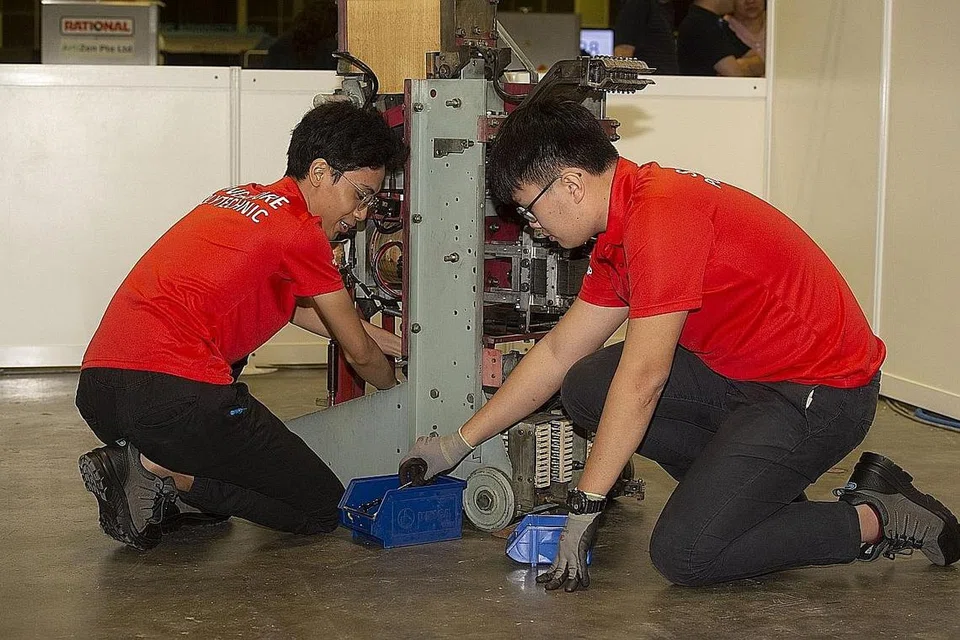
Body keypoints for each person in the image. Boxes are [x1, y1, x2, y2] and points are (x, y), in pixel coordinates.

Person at [400, 99, 959, 591]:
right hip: (744, 376)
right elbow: (556, 354)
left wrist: (584, 508)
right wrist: (455, 445)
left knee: (686, 553)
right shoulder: (619, 231)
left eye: (530, 210)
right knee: (587, 384)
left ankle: (878, 516)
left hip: (821, 392)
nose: (532, 227)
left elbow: (645, 379)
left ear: (571, 184)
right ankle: (754, 503)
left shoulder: (661, 217)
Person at [76, 102, 407, 550]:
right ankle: (157, 470)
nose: (365, 214)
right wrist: (400, 393)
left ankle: (162, 479)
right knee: (323, 510)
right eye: (362, 195)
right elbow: (358, 353)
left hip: (101, 391)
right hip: (175, 398)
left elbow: (313, 313)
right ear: (321, 172)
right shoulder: (300, 232)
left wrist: (400, 344)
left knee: (224, 501)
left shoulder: (239, 198)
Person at [677, 0, 763, 76]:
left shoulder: (717, 23)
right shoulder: (700, 24)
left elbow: (760, 63)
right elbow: (734, 73)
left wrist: (737, 65)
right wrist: (741, 67)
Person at [613, 0, 679, 75]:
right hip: (649, 81)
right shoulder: (638, 4)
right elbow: (623, 52)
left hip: (665, 81)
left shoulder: (665, 8)